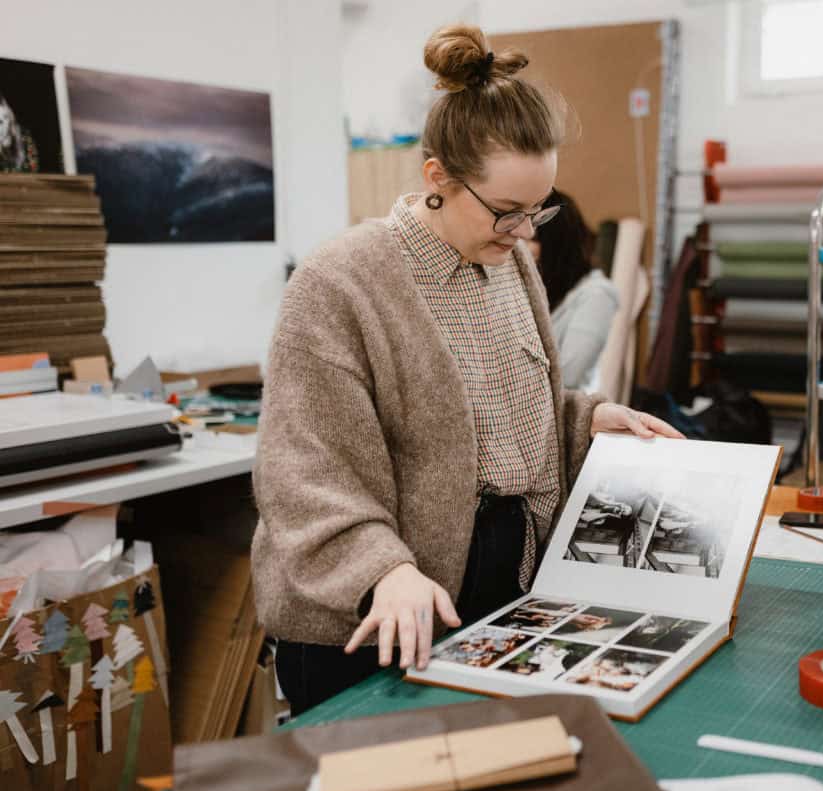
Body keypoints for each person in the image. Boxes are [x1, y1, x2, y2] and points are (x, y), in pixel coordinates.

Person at [251, 23, 682, 715]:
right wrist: (382, 569)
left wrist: (583, 418)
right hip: (368, 618)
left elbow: (504, 413)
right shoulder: (340, 282)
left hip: (494, 592)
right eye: (506, 211)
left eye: (535, 211)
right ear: (437, 180)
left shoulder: (509, 265)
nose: (524, 233)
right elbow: (303, 471)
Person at [530, 189, 619, 390]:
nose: (519, 246)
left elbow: (569, 375)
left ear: (557, 243)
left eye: (533, 239)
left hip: (566, 414)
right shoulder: (535, 285)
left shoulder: (597, 294)